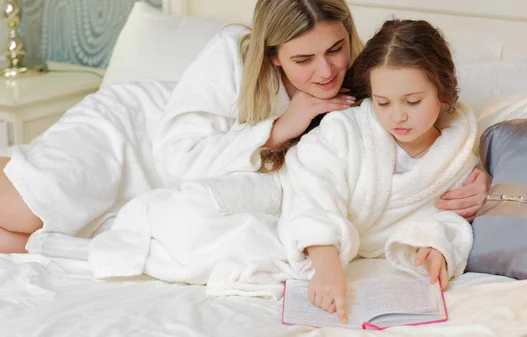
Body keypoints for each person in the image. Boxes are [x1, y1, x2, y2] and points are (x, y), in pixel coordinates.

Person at [0, 0, 488, 286]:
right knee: (25, 211)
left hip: (175, 195)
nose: (325, 70)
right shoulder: (234, 54)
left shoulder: (367, 82)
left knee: (25, 243)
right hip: (138, 136)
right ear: (273, 57)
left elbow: (421, 140)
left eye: (336, 49)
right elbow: (176, 159)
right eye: (303, 59)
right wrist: (280, 127)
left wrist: (477, 171)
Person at [278, 19, 479, 322]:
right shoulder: (344, 132)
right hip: (319, 248)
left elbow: (450, 219)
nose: (398, 116)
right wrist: (326, 264)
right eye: (382, 102)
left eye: (413, 101)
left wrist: (437, 245)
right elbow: (311, 191)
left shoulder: (456, 159)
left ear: (443, 91)